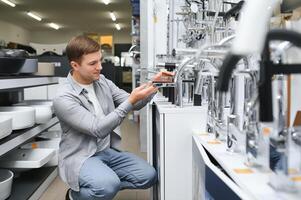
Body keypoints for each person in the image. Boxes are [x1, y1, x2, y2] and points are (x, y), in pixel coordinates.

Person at [53, 35, 173, 200]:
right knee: (107, 185)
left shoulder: (102, 81)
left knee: (148, 176)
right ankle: (75, 196)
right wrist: (131, 100)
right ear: (75, 65)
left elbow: (133, 103)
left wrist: (155, 84)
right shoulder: (63, 98)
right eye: (92, 63)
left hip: (106, 151)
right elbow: (97, 129)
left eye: (100, 60)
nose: (100, 67)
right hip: (81, 156)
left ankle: (105, 183)